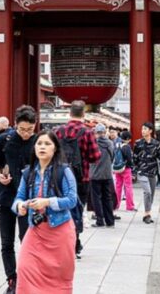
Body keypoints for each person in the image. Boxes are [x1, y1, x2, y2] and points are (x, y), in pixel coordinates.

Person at [14, 130, 79, 294]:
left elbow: (71, 200)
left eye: (47, 144)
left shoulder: (64, 171)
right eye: (39, 143)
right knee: (24, 268)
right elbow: (18, 198)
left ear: (55, 148)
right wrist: (20, 206)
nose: (42, 147)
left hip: (60, 231)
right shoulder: (28, 173)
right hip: (35, 230)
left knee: (59, 279)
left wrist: (48, 202)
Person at [0, 105, 37, 294]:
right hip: (7, 196)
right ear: (15, 125)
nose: (26, 133)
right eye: (22, 129)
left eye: (30, 129)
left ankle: (27, 280)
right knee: (6, 243)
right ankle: (12, 280)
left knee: (27, 242)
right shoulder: (4, 140)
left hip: (29, 200)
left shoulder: (39, 142)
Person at [52, 100, 100, 260]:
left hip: (59, 176)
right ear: (83, 114)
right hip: (81, 177)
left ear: (69, 113)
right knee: (77, 209)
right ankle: (74, 241)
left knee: (61, 207)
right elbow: (95, 157)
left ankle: (61, 242)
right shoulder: (87, 132)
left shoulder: (58, 131)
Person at [132, 123, 160, 224]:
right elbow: (134, 158)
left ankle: (147, 212)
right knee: (147, 192)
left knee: (151, 194)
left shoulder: (156, 143)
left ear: (150, 131)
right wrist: (134, 172)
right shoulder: (138, 143)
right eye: (142, 129)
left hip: (152, 172)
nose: (142, 130)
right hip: (142, 171)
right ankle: (146, 214)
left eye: (145, 129)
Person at [88, 124, 116, 228]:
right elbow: (112, 157)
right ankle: (110, 221)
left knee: (97, 199)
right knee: (108, 198)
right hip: (107, 175)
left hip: (95, 175)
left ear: (96, 133)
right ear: (105, 133)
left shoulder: (93, 144)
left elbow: (89, 158)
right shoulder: (110, 143)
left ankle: (100, 221)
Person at [112, 130, 136, 212]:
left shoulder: (118, 145)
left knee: (118, 187)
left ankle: (116, 205)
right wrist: (132, 169)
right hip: (126, 169)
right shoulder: (127, 147)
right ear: (128, 139)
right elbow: (129, 160)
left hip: (118, 169)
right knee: (128, 187)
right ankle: (129, 206)